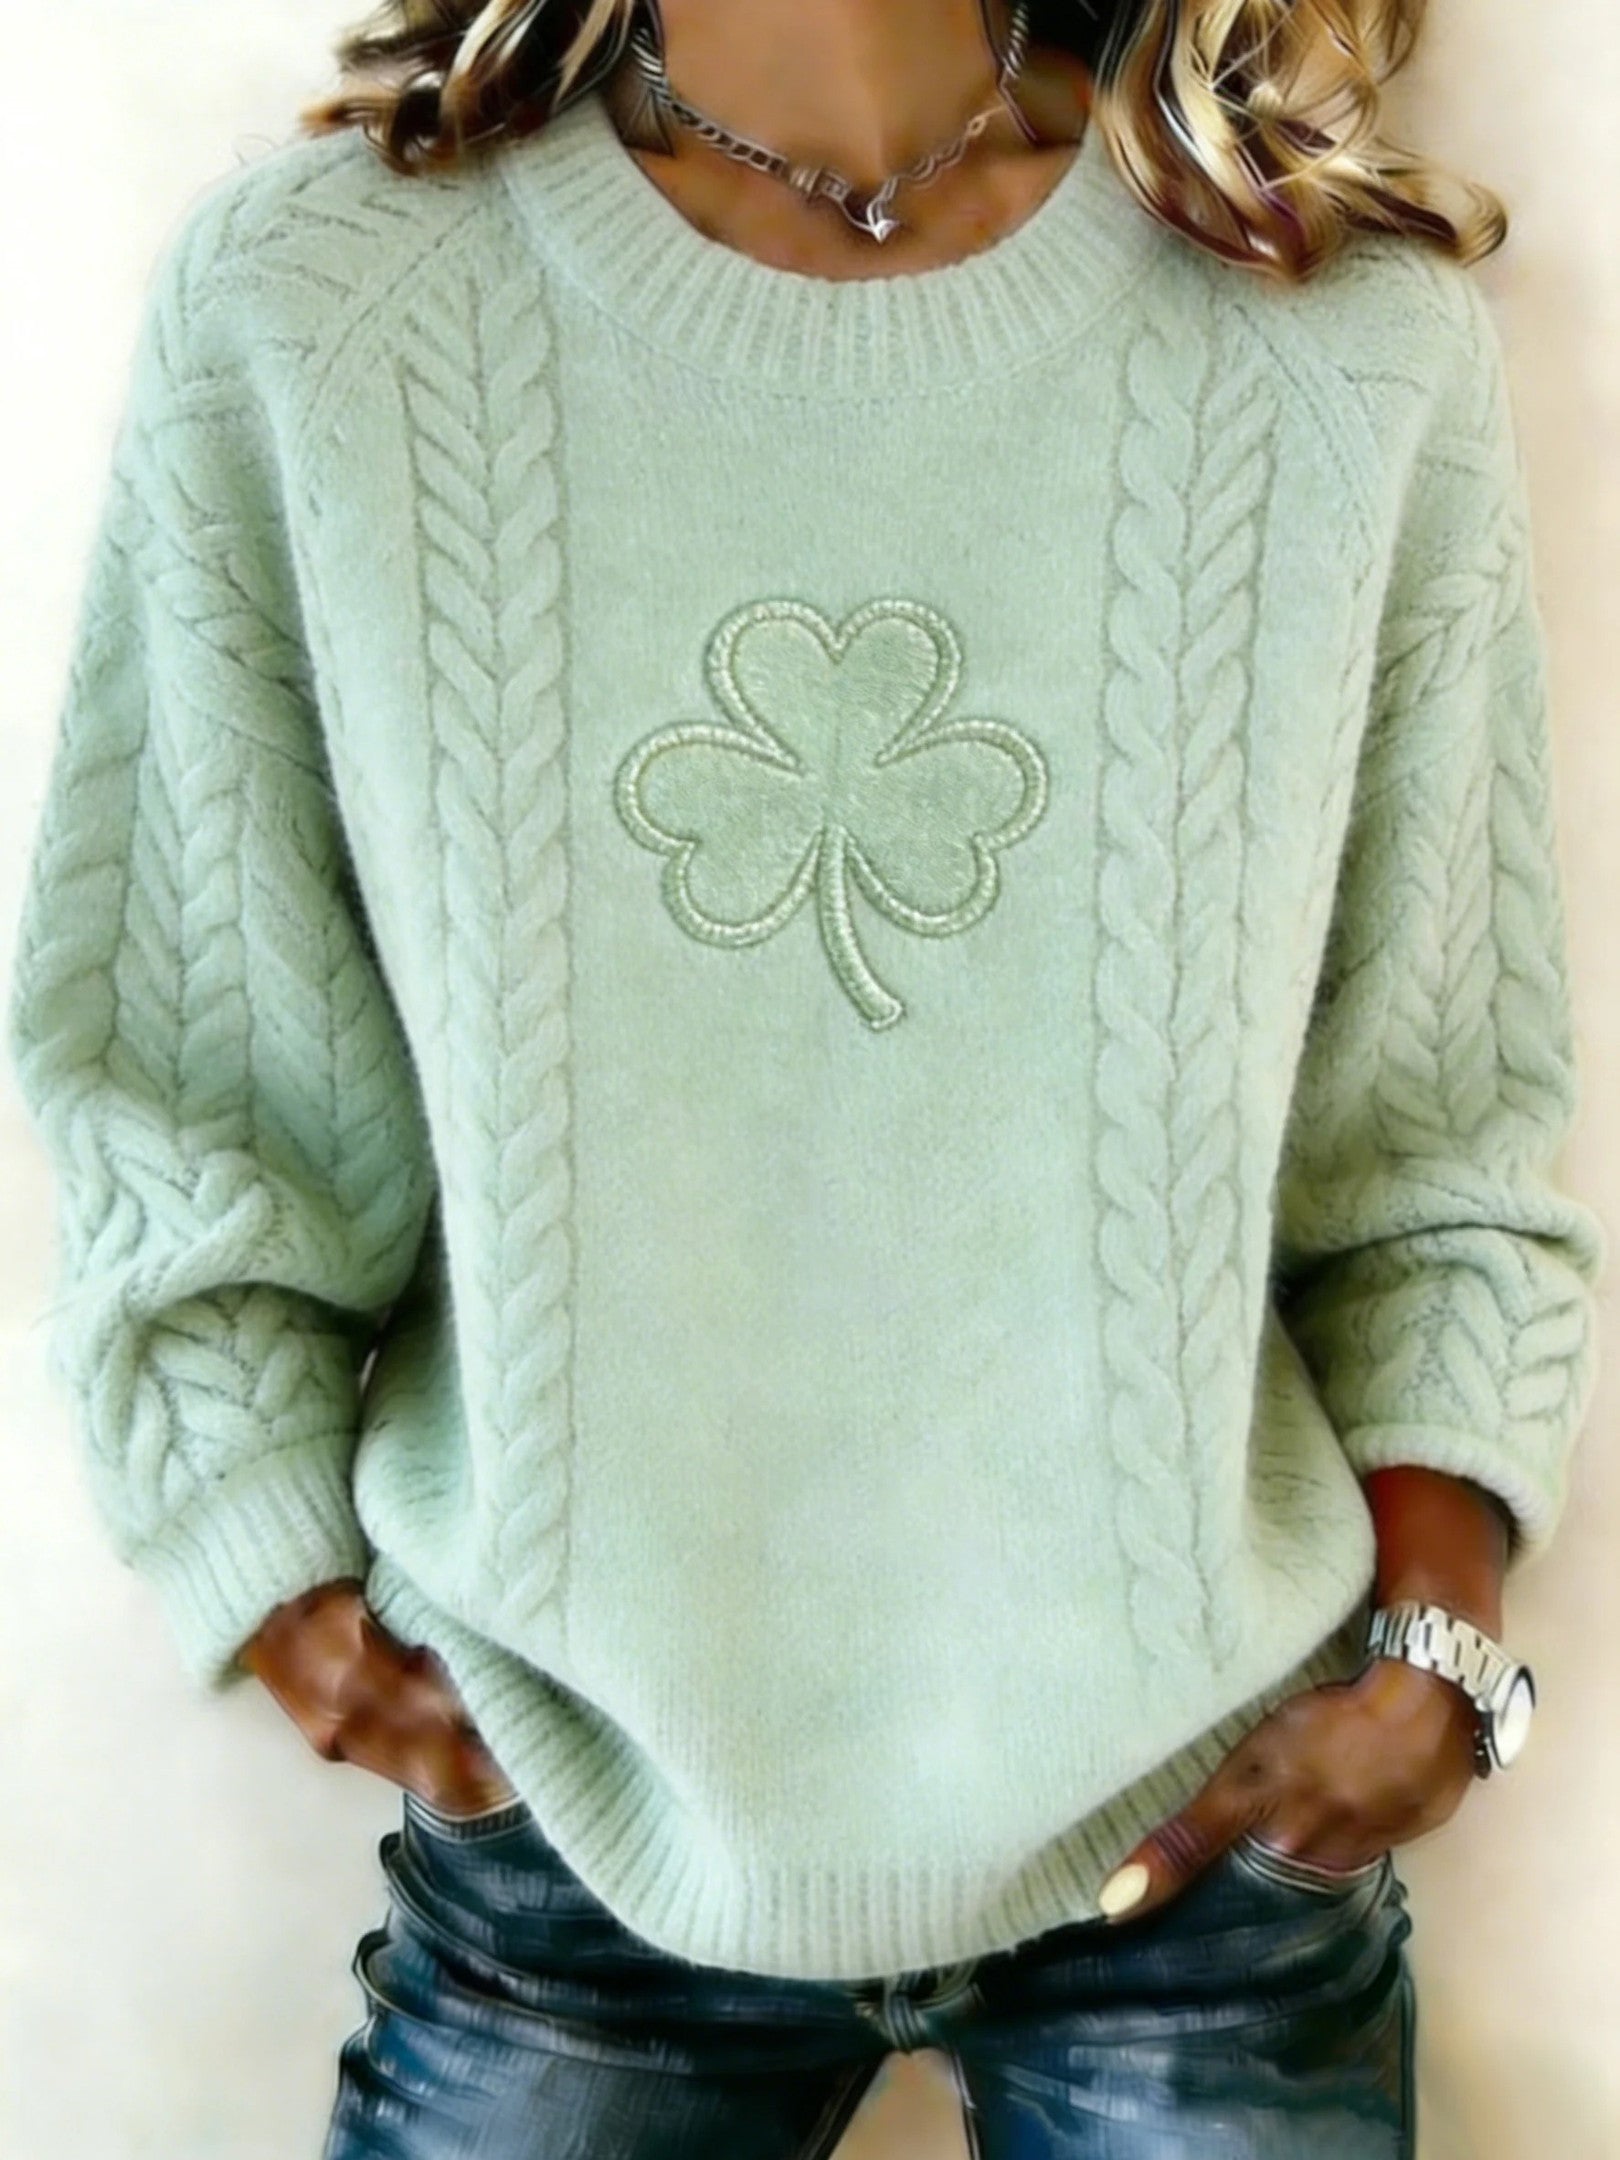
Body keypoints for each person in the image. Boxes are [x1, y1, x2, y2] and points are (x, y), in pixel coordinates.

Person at [6, 0, 1604, 2153]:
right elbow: (191, 1075)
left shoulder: (1337, 337)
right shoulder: (320, 309)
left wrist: (1438, 1662)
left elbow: (1436, 1124)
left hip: (1209, 1823)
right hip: (570, 1805)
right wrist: (276, 1582)